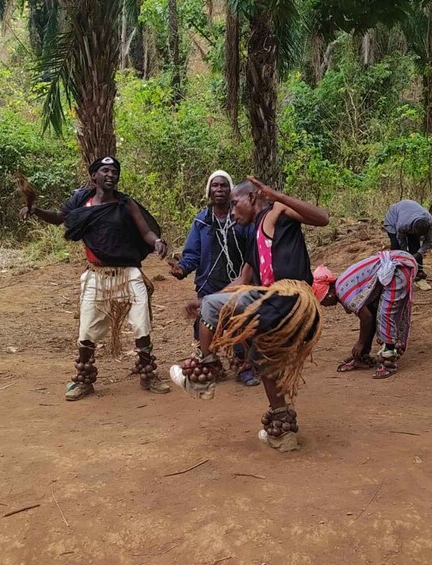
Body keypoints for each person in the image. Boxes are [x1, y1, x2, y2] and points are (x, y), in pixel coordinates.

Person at [170, 176, 329, 452]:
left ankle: (205, 374)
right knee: (264, 360)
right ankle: (283, 433)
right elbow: (243, 279)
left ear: (252, 198)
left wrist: (276, 195)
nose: (231, 212)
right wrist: (209, 299)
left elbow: (322, 218)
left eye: (235, 204)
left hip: (291, 298)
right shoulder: (253, 238)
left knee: (212, 308)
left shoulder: (276, 211)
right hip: (277, 307)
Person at [19, 156, 172, 401]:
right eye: (105, 171)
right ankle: (84, 381)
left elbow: (145, 231)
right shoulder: (82, 202)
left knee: (141, 324)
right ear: (94, 177)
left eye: (114, 171)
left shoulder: (126, 204)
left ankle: (148, 374)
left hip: (129, 274)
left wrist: (157, 242)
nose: (110, 175)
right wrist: (35, 210)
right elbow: (60, 217)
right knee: (87, 330)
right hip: (97, 275)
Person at [170, 170, 259, 386]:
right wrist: (182, 269)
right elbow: (193, 253)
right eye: (215, 186)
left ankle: (243, 366)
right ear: (208, 191)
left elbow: (252, 252)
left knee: (241, 327)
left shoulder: (241, 218)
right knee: (206, 326)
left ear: (231, 191)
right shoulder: (202, 220)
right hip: (209, 285)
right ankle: (211, 364)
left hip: (239, 284)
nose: (219, 190)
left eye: (223, 186)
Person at [314, 251, 417, 379]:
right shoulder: (341, 285)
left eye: (322, 301)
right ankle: (363, 356)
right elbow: (370, 315)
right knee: (375, 310)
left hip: (398, 268)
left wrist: (360, 343)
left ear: (329, 294)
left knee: (387, 313)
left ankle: (389, 361)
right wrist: (362, 349)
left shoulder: (344, 293)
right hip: (397, 262)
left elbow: (366, 319)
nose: (324, 305)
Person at [383, 200, 432, 280]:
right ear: (413, 229)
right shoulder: (402, 225)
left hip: (409, 214)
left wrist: (419, 253)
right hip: (393, 219)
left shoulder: (429, 221)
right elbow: (401, 240)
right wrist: (406, 254)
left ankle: (418, 270)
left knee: (415, 243)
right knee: (396, 247)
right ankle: (397, 271)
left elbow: (428, 240)